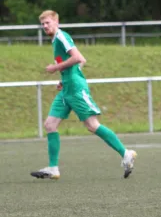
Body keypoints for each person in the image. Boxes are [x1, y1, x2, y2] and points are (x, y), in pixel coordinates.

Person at [31, 10, 137, 180]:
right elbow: (82, 61)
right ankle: (53, 168)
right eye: (42, 24)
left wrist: (56, 68)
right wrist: (63, 78)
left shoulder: (61, 37)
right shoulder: (55, 40)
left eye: (48, 23)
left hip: (75, 88)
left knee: (92, 125)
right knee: (50, 124)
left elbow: (78, 57)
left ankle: (126, 153)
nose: (45, 26)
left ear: (56, 22)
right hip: (67, 87)